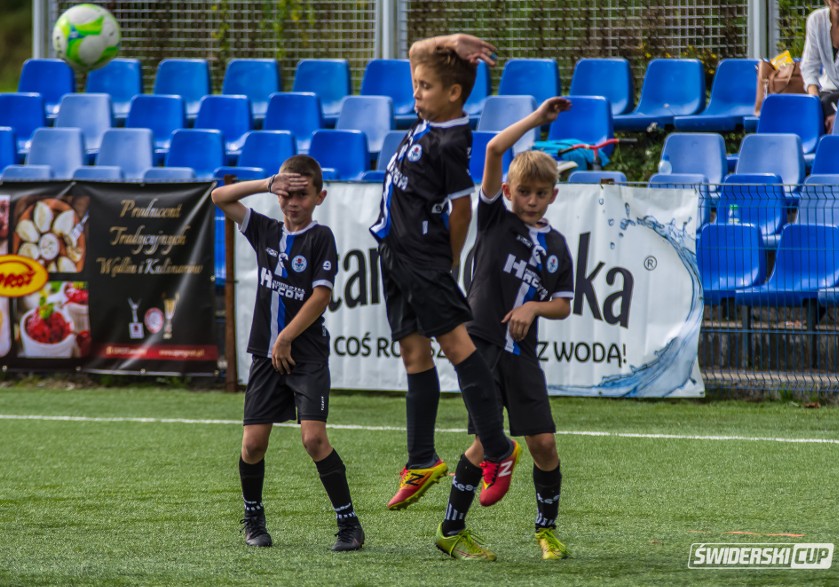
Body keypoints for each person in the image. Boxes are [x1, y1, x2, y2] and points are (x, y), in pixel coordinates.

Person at [370, 34, 521, 513]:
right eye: (416, 85)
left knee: (457, 347)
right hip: (393, 252)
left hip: (422, 257)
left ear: (453, 93)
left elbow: (462, 209)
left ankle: (498, 448)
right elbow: (417, 48)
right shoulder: (428, 118)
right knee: (414, 353)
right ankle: (421, 460)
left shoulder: (453, 138)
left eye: (426, 87)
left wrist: (448, 260)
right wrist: (449, 42)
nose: (416, 93)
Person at [434, 97, 574, 561]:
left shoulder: (556, 245)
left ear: (553, 194)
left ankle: (546, 531)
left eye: (541, 192)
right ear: (510, 192)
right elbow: (494, 149)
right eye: (524, 192)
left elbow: (562, 306)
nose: (532, 200)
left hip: (522, 354)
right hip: (483, 346)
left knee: (545, 444)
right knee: (483, 443)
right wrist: (538, 119)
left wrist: (534, 307)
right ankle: (452, 531)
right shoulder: (495, 218)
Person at [211, 155, 364, 552]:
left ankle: (349, 524)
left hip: (306, 354)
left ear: (319, 196)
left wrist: (287, 337)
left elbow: (321, 295)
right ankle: (254, 518)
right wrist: (267, 182)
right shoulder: (265, 229)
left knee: (314, 439)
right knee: (252, 445)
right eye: (287, 193)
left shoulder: (321, 236)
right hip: (265, 355)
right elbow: (219, 197)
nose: (292, 201)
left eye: (301, 194)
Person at [802, 0, 839, 132]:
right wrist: (815, 105)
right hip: (830, 92)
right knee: (817, 108)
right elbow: (809, 66)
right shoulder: (816, 20)